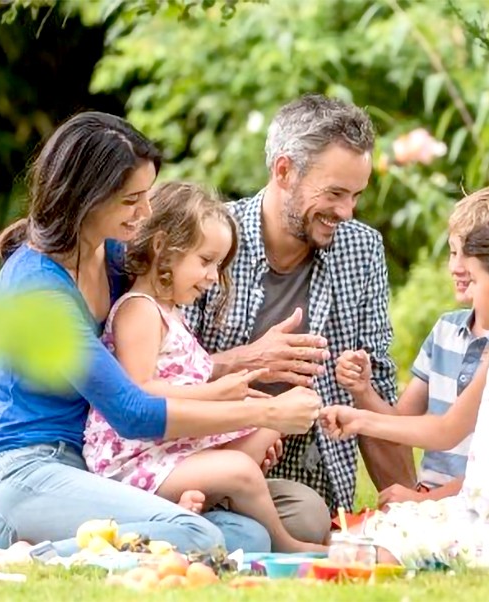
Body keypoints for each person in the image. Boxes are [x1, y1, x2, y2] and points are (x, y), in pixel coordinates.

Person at [0, 111, 321, 556]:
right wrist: (263, 414)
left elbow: (156, 365)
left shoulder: (112, 258)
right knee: (199, 537)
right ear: (86, 198)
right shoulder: (38, 287)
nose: (146, 212)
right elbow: (132, 410)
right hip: (25, 473)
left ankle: (148, 523)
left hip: (92, 469)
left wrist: (248, 359)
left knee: (251, 536)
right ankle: (21, 556)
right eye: (132, 200)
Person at [186, 95, 412, 543]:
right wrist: (251, 360)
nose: (346, 212)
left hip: (306, 480)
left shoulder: (361, 250)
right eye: (334, 193)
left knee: (308, 516)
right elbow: (156, 375)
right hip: (202, 459)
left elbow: (378, 394)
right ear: (284, 171)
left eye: (356, 195)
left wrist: (408, 507)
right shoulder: (207, 239)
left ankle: (208, 529)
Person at [320, 210, 489, 574]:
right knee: (360, 539)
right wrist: (359, 419)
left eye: (477, 281)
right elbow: (444, 429)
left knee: (370, 556)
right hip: (480, 515)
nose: (470, 293)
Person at [83, 181, 326, 553]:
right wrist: (215, 393)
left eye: (218, 265)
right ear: (163, 247)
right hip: (135, 461)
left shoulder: (170, 313)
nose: (213, 277)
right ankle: (285, 543)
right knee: (241, 469)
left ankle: (200, 500)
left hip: (170, 449)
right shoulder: (139, 311)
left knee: (268, 426)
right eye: (206, 261)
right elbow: (138, 391)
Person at [336, 186, 489, 507]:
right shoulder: (445, 332)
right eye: (453, 252)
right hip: (434, 497)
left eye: (470, 255)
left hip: (486, 500)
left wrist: (425, 501)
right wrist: (363, 391)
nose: (457, 267)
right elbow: (402, 424)